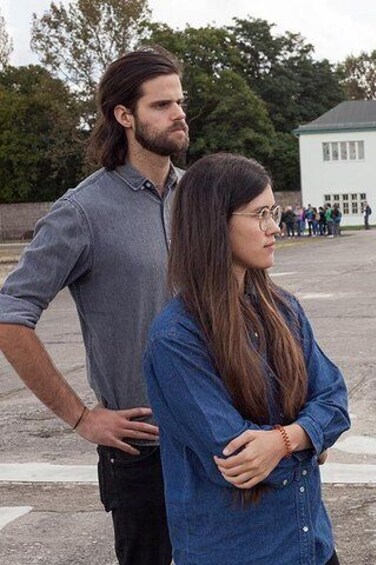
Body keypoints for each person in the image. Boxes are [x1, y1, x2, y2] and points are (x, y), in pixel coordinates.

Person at [0, 47, 188, 565]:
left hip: (218, 436)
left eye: (180, 102)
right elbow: (10, 315)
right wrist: (82, 417)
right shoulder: (81, 211)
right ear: (123, 116)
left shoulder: (198, 197)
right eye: (161, 105)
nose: (178, 114)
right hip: (142, 452)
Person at [144, 153, 350, 564]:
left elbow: (336, 400)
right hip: (238, 552)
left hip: (311, 547)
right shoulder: (176, 338)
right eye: (260, 215)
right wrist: (313, 439)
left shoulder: (284, 308)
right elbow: (241, 461)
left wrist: (287, 440)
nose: (275, 227)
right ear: (214, 223)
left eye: (273, 212)